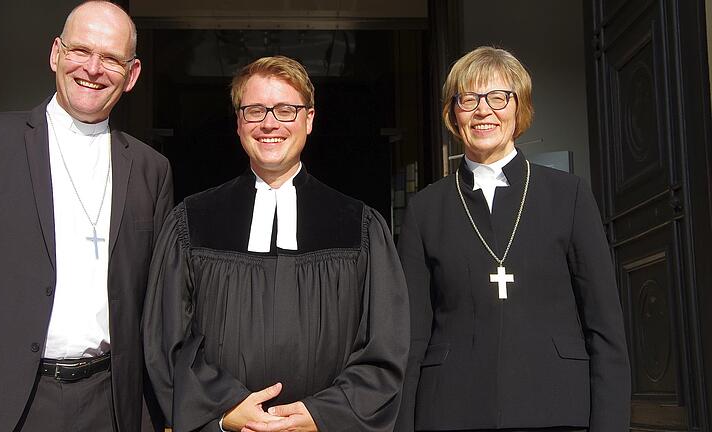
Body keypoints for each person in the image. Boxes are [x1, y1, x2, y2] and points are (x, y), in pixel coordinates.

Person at [143, 55, 409, 432]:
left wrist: (323, 414)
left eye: (286, 110)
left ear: (309, 119)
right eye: (255, 111)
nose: (270, 123)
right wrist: (225, 409)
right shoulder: (192, 222)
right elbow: (168, 337)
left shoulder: (359, 226)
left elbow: (384, 347)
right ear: (239, 122)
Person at [0, 2, 173, 431]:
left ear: (132, 75)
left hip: (110, 405)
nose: (92, 68)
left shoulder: (151, 169)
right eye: (80, 50)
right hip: (1, 402)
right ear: (55, 54)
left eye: (110, 58)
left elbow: (157, 304)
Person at [394, 46, 630, 432]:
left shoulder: (568, 195)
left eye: (498, 98)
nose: (482, 110)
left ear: (519, 108)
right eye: (468, 99)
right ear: (453, 113)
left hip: (556, 408)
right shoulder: (426, 209)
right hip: (452, 411)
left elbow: (604, 325)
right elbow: (412, 335)